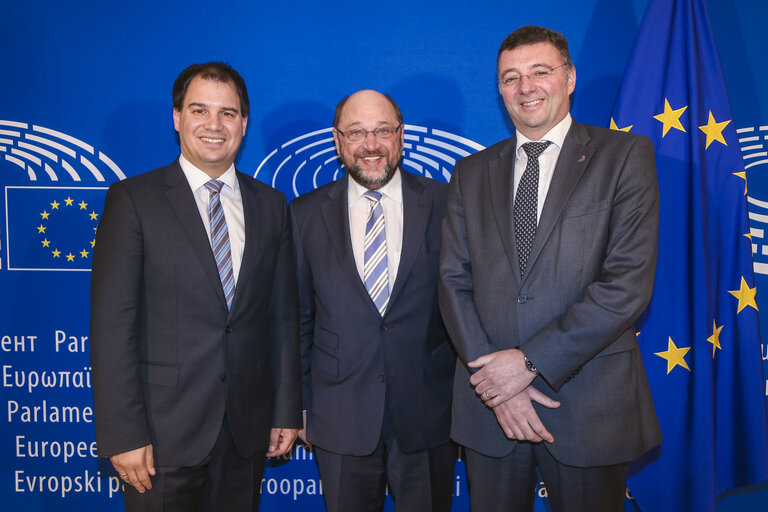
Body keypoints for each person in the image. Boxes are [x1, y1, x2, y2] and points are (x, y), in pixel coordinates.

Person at [439, 26, 662, 512]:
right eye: (510, 78)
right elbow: (452, 283)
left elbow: (626, 285)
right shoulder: (469, 174)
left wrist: (527, 363)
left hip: (588, 405)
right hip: (489, 411)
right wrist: (496, 386)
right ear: (499, 90)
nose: (526, 88)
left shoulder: (625, 157)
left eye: (540, 72)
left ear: (570, 77)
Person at [90, 62, 301, 511]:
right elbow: (112, 327)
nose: (213, 125)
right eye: (200, 110)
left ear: (243, 123)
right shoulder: (133, 200)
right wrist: (124, 433)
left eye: (228, 113)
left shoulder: (271, 205)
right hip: (160, 438)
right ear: (177, 117)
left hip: (244, 432)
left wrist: (284, 409)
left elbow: (281, 317)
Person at [289, 89, 456, 511]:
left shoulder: (447, 202)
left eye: (382, 130)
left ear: (400, 135)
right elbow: (298, 320)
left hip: (428, 414)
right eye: (357, 132)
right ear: (337, 139)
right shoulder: (304, 215)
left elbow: (465, 305)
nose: (371, 145)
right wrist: (301, 406)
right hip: (339, 415)